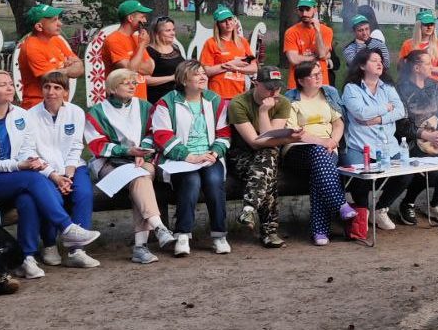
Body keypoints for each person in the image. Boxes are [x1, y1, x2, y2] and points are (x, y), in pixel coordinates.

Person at [0, 70, 101, 280]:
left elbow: (28, 149)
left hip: (25, 172)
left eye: (10, 83)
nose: (10, 88)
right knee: (35, 180)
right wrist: (27, 167)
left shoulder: (19, 114)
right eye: (2, 85)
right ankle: (66, 229)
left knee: (28, 200)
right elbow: (25, 156)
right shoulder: (32, 114)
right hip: (17, 172)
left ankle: (27, 258)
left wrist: (64, 173)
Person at [85, 68, 177, 263]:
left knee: (140, 177)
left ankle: (146, 242)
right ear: (112, 87)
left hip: (142, 160)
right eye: (125, 82)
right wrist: (127, 151)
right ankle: (152, 233)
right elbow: (96, 144)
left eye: (133, 83)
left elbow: (153, 133)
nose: (131, 86)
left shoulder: (144, 106)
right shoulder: (97, 111)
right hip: (110, 162)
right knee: (139, 178)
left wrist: (142, 150)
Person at [150, 60, 231, 257]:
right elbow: (162, 136)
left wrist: (215, 153)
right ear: (184, 80)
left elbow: (224, 133)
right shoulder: (166, 102)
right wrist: (188, 156)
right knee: (191, 181)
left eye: (204, 73)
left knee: (213, 181)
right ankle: (183, 234)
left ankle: (219, 235)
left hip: (209, 156)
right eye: (197, 74)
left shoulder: (214, 100)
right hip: (180, 160)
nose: (203, 77)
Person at [21, 71, 98, 268]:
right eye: (47, 87)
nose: (51, 92)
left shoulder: (75, 112)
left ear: (65, 91)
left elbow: (76, 146)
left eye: (57, 88)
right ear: (42, 89)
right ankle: (49, 245)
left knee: (84, 193)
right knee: (51, 196)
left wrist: (68, 175)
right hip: (44, 170)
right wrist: (54, 176)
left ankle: (77, 250)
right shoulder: (30, 115)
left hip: (72, 166)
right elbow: (29, 151)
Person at [283, 60, 357, 245]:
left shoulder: (329, 93)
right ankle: (339, 204)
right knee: (318, 154)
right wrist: (322, 142)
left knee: (319, 173)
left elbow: (338, 122)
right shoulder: (290, 99)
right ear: (301, 80)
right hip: (297, 150)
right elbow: (294, 133)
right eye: (313, 75)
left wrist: (333, 141)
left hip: (329, 147)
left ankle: (320, 232)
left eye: (319, 73)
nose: (319, 77)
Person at [227, 67, 298, 248]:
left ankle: (249, 209)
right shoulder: (238, 103)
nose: (274, 92)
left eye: (277, 88)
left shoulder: (283, 102)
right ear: (256, 83)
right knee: (268, 168)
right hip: (241, 155)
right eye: (268, 88)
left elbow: (270, 139)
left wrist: (279, 139)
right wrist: (263, 112)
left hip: (267, 155)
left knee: (268, 158)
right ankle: (269, 231)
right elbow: (255, 141)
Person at [341, 48, 411, 230]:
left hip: (388, 145)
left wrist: (379, 118)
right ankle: (362, 214)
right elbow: (361, 113)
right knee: (359, 177)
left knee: (406, 175)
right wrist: (386, 108)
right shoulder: (351, 89)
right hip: (360, 145)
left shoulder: (387, 87)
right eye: (374, 60)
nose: (380, 63)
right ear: (362, 65)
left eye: (380, 60)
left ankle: (380, 209)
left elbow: (400, 111)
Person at [398, 50, 438, 225]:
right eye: (428, 63)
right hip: (412, 139)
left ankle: (437, 202)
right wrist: (426, 135)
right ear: (416, 68)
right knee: (427, 164)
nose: (432, 67)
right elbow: (401, 124)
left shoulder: (434, 85)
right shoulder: (401, 89)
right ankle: (408, 202)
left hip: (436, 134)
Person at [17, 4, 85, 109]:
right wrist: (68, 70)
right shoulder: (31, 47)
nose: (60, 24)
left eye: (58, 19)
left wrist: (62, 70)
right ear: (39, 27)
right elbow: (52, 79)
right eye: (54, 20)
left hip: (59, 105)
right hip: (38, 107)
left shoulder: (56, 39)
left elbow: (80, 68)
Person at [200, 6, 257, 101]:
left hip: (240, 95)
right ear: (217, 25)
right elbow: (207, 71)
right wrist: (232, 64)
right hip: (218, 95)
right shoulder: (211, 43)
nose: (228, 23)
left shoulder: (243, 42)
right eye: (223, 21)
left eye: (230, 19)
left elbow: (254, 68)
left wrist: (237, 68)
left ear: (234, 20)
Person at [102, 0, 155, 101]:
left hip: (140, 100)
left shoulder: (137, 39)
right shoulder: (113, 40)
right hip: (120, 101)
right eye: (142, 17)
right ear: (130, 18)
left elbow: (150, 69)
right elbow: (130, 70)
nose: (145, 21)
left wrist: (133, 62)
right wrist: (141, 46)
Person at [283, 0, 334, 88]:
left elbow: (322, 53)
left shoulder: (326, 31)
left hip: (320, 83)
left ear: (315, 9)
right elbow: (293, 59)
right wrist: (316, 57)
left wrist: (318, 31)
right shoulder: (291, 32)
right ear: (297, 11)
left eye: (307, 9)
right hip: (296, 83)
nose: (304, 13)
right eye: (301, 10)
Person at [398, 10, 438, 81]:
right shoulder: (408, 44)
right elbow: (401, 68)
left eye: (431, 24)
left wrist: (424, 68)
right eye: (426, 24)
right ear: (418, 26)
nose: (429, 27)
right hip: (413, 84)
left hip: (434, 85)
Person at [145, 16, 184, 103]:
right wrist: (172, 78)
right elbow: (145, 80)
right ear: (157, 33)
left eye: (173, 30)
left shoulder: (175, 47)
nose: (173, 33)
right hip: (158, 99)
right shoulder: (149, 51)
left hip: (177, 97)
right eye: (168, 30)